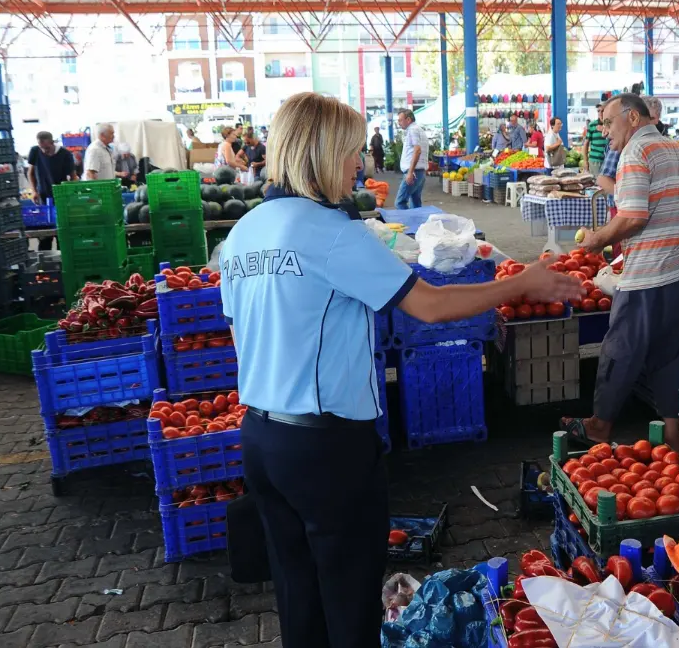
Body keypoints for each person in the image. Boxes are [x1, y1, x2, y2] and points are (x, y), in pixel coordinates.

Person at [219, 92, 580, 648]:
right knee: (349, 599)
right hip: (326, 448)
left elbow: (244, 324)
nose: (357, 165)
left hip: (263, 440)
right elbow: (429, 306)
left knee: (297, 591)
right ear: (320, 154)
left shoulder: (245, 231)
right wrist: (522, 282)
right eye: (351, 152)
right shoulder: (330, 232)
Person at [562, 94, 679, 450]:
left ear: (631, 118)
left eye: (608, 122)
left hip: (652, 274)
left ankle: (599, 426)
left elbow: (632, 217)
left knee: (620, 349)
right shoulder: (676, 150)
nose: (604, 130)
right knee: (669, 354)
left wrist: (597, 239)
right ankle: (674, 437)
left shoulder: (635, 153)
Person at [27, 131, 77, 250]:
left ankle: (63, 262)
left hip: (61, 198)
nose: (44, 151)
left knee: (62, 233)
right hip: (43, 198)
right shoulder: (35, 151)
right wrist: (34, 191)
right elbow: (31, 173)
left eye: (47, 148)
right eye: (42, 148)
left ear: (52, 142)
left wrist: (72, 194)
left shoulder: (65, 154)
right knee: (44, 235)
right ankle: (44, 265)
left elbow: (73, 177)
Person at [395, 108, 428, 209]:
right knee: (415, 202)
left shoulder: (413, 130)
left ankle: (408, 224)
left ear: (408, 120)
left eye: (400, 120)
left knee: (400, 202)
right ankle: (418, 224)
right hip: (419, 172)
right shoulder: (419, 129)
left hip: (414, 173)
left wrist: (410, 171)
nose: (399, 123)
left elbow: (417, 150)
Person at [583, 108, 607, 174]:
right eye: (598, 111)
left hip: (609, 160)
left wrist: (604, 130)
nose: (600, 113)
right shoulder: (592, 125)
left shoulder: (612, 125)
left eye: (602, 111)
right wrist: (585, 161)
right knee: (595, 182)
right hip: (595, 161)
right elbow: (586, 144)